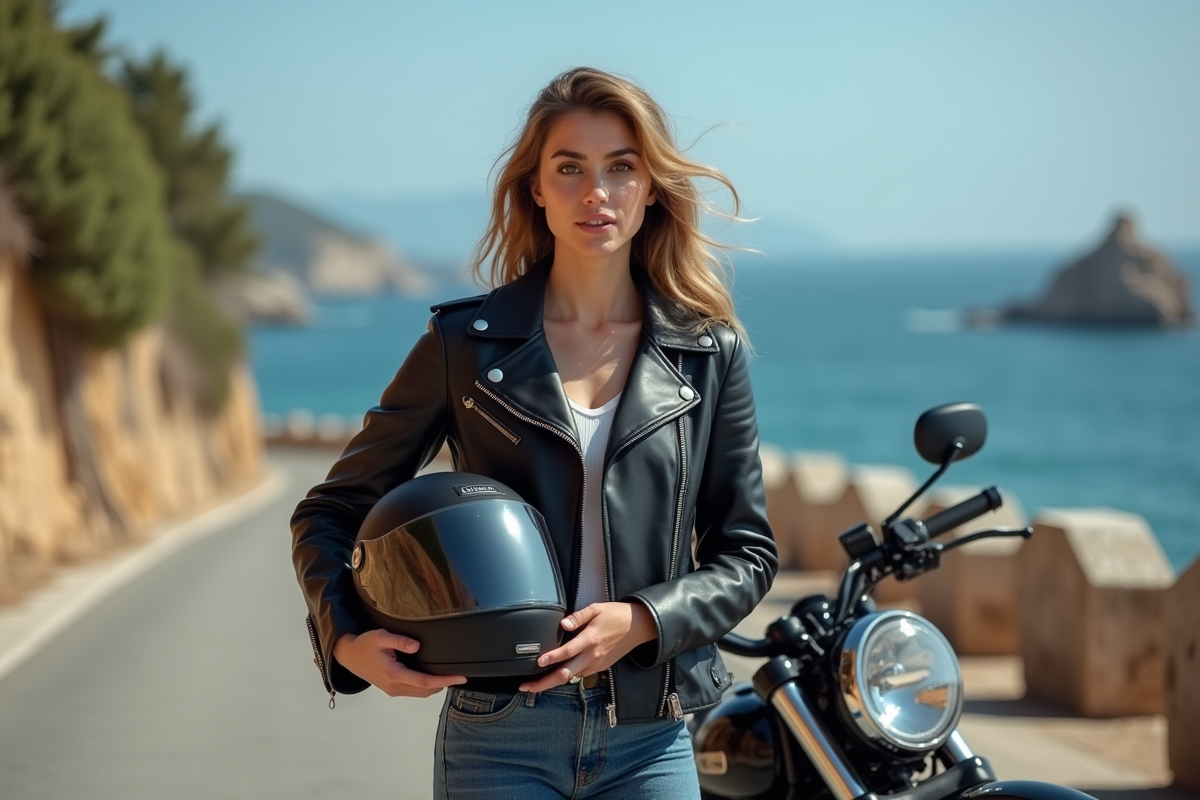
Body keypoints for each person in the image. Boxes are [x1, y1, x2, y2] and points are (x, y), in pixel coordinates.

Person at [291, 66, 777, 799]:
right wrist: (348, 642)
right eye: (570, 168)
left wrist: (643, 619)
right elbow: (329, 511)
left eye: (621, 167)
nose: (596, 193)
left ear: (651, 188)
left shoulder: (710, 354)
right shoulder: (464, 346)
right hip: (499, 730)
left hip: (650, 734)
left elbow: (747, 555)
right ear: (536, 190)